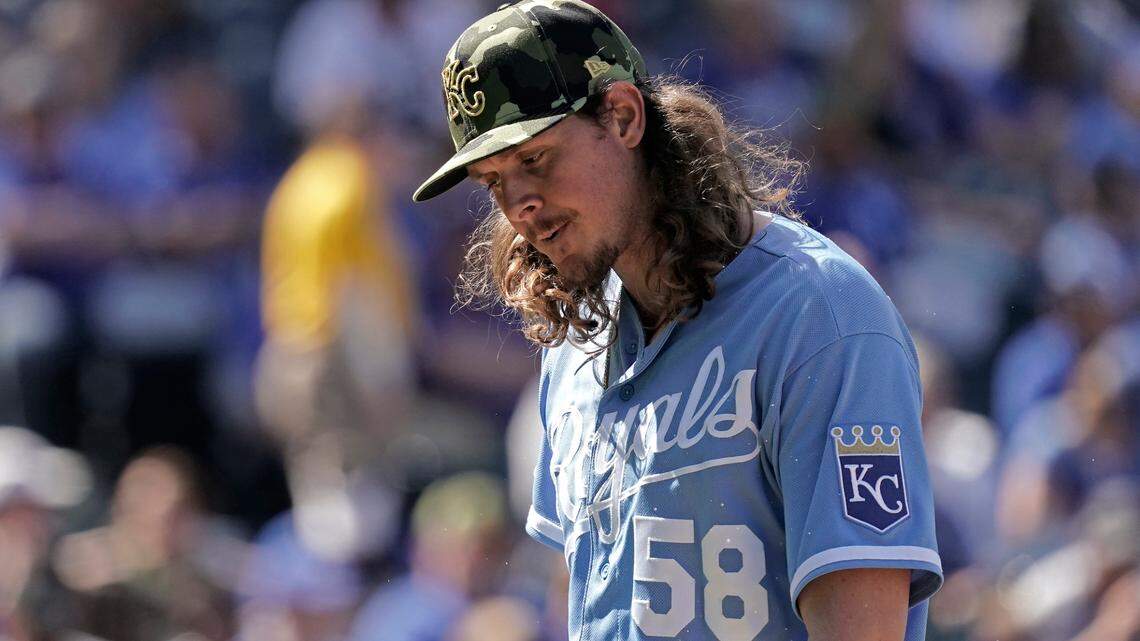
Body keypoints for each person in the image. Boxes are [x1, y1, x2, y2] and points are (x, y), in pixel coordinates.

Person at [412, 2, 943, 640]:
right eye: (493, 181)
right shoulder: (578, 350)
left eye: (536, 159)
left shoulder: (820, 315)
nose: (519, 203)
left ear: (625, 117)